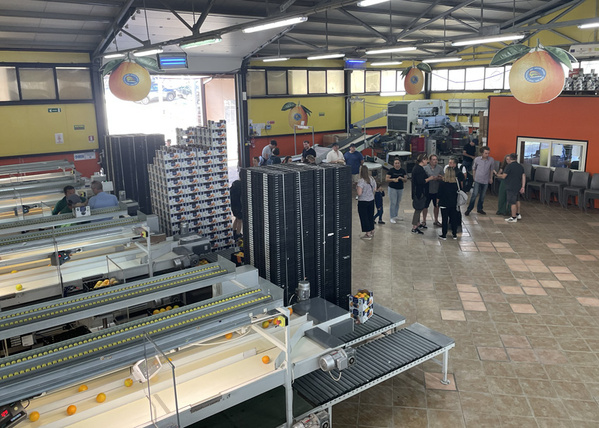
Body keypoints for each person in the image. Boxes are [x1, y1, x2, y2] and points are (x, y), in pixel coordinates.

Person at [495, 153, 525, 223]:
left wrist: (497, 175)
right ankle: (518, 214)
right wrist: (523, 186)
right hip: (518, 186)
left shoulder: (509, 166)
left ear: (511, 158)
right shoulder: (520, 166)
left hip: (511, 186)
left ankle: (513, 217)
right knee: (517, 200)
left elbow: (503, 176)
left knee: (512, 202)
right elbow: (523, 176)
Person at [465, 146, 494, 216]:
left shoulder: (491, 160)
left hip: (485, 180)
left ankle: (480, 208)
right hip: (478, 179)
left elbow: (491, 169)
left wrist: (491, 178)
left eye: (488, 153)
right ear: (482, 153)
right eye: (486, 153)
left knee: (482, 195)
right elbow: (474, 169)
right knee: (474, 194)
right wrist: (474, 177)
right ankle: (469, 209)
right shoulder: (477, 159)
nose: (487, 155)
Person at [411, 154, 436, 234]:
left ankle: (418, 223)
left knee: (420, 208)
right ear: (422, 160)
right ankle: (414, 227)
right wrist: (430, 178)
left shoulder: (418, 168)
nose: (427, 162)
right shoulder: (418, 169)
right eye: (426, 160)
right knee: (418, 209)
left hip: (420, 192)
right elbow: (421, 181)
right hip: (419, 192)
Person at [437, 167, 461, 240]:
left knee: (444, 219)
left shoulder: (442, 183)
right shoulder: (456, 183)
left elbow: (439, 194)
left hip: (444, 203)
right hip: (453, 203)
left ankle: (444, 235)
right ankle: (454, 234)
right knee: (453, 219)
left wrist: (437, 202)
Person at [423, 154, 444, 227]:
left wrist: (439, 178)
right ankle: (424, 220)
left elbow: (443, 178)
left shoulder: (440, 168)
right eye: (433, 159)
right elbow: (423, 179)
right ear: (430, 160)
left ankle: (436, 220)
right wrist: (430, 178)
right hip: (427, 190)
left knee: (436, 206)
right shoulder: (425, 168)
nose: (435, 161)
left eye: (436, 159)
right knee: (425, 206)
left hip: (436, 189)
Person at [356, 165, 376, 240]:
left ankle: (367, 233)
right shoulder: (372, 179)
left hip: (363, 201)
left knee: (364, 217)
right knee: (370, 216)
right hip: (371, 200)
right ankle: (372, 230)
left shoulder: (361, 181)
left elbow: (359, 193)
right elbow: (375, 189)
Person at [385, 157, 407, 223]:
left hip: (400, 188)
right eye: (395, 163)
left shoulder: (402, 171)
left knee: (397, 202)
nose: (397, 164)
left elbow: (405, 180)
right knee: (393, 202)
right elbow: (386, 179)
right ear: (393, 164)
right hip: (392, 188)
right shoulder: (391, 170)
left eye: (398, 163)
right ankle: (392, 217)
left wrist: (401, 178)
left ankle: (395, 215)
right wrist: (393, 180)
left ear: (400, 164)